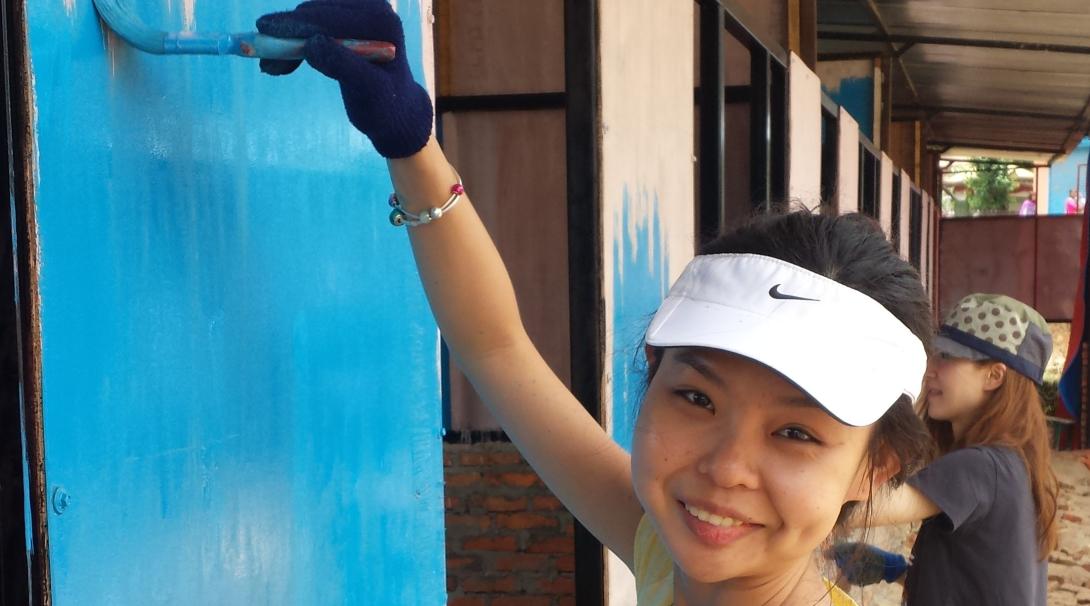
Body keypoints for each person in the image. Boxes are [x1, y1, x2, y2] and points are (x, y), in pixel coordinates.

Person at [256, 2, 937, 604]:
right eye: (697, 398)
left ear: (873, 469)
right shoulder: (668, 558)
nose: (725, 468)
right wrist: (409, 141)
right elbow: (497, 350)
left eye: (797, 434)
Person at [858, 293, 1058, 605]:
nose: (931, 369)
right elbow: (986, 581)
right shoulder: (1015, 465)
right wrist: (897, 570)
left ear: (994, 376)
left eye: (948, 357)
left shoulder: (980, 467)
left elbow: (863, 509)